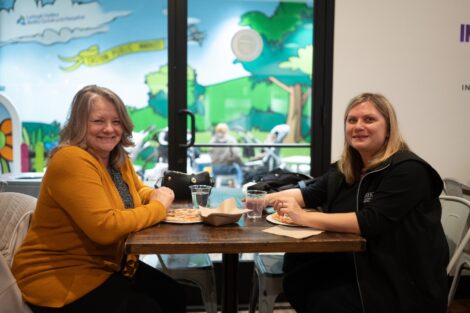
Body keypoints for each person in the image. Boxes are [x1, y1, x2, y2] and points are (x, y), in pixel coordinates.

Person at [266, 93, 448, 313]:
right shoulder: (347, 169)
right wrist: (261, 199)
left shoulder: (409, 170)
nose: (358, 126)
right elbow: (311, 194)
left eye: (369, 119)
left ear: (388, 128)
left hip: (397, 281)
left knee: (322, 299)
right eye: (352, 120)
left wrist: (303, 217)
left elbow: (370, 221)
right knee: (298, 272)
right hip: (358, 266)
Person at [12, 85, 186, 313]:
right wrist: (158, 206)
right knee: (148, 307)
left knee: (174, 294)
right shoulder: (71, 160)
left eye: (116, 121)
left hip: (109, 266)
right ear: (79, 124)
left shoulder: (115, 157)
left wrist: (154, 195)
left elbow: (135, 193)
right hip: (59, 278)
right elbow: (105, 227)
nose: (109, 129)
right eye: (98, 121)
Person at [209, 123, 244, 187]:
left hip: (215, 169)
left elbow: (210, 153)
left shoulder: (212, 140)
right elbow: (237, 155)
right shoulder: (231, 140)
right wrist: (242, 163)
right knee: (239, 168)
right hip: (228, 168)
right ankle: (239, 185)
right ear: (226, 130)